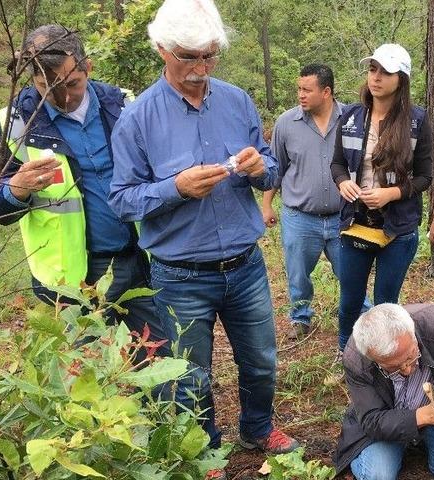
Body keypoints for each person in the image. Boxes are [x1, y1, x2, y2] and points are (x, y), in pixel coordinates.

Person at [108, 0, 298, 455]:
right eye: (187, 56)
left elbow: (271, 171)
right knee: (191, 373)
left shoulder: (236, 100)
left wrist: (259, 167)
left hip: (246, 266)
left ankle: (257, 428)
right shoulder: (137, 118)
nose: (199, 67)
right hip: (179, 276)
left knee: (260, 361)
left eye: (209, 55)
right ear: (161, 49)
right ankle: (206, 447)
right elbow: (121, 200)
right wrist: (175, 187)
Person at [0, 24, 164, 339]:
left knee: (160, 360)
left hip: (138, 261)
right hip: (70, 283)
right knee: (86, 375)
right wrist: (16, 190)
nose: (62, 97)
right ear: (32, 79)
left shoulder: (122, 106)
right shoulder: (13, 125)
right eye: (46, 87)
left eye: (72, 83)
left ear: (87, 67)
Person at [331, 44, 433, 353]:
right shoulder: (350, 116)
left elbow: (425, 176)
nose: (376, 77)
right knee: (350, 298)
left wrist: (391, 193)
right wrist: (343, 182)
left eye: (385, 72)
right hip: (356, 222)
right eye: (372, 69)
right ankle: (347, 354)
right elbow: (336, 162)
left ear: (400, 79)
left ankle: (382, 357)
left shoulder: (416, 121)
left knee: (385, 303)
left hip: (397, 228)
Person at [262, 64, 369, 340]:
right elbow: (276, 168)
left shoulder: (353, 119)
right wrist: (266, 205)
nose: (300, 95)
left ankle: (366, 317)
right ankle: (300, 318)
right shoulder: (287, 123)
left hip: (343, 216)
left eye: (307, 90)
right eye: (299, 89)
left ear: (326, 92)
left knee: (350, 271)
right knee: (297, 274)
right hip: (300, 216)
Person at [333, 303, 434, 480]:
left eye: (410, 357)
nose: (407, 370)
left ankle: (420, 440)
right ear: (373, 358)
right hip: (386, 423)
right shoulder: (357, 357)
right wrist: (421, 416)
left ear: (413, 336)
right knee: (378, 475)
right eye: (393, 368)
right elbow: (372, 420)